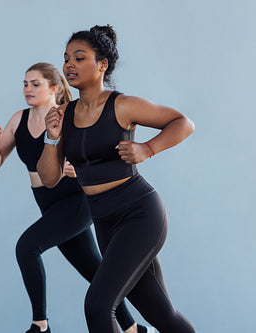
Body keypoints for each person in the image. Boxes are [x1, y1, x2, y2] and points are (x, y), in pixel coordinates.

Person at [37, 25, 197, 333]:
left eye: (79, 58)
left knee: (98, 305)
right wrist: (52, 137)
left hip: (139, 214)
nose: (69, 65)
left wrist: (147, 148)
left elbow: (183, 123)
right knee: (162, 315)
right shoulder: (64, 114)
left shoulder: (122, 105)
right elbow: (49, 177)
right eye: (66, 58)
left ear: (102, 64)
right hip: (105, 222)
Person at [0, 62, 153, 333]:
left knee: (26, 247)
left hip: (76, 202)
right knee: (95, 272)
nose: (28, 89)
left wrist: (75, 167)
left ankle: (40, 325)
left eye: (35, 84)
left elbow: (92, 150)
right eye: (25, 84)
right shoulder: (19, 120)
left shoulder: (66, 117)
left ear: (53, 87)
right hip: (48, 205)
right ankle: (134, 329)